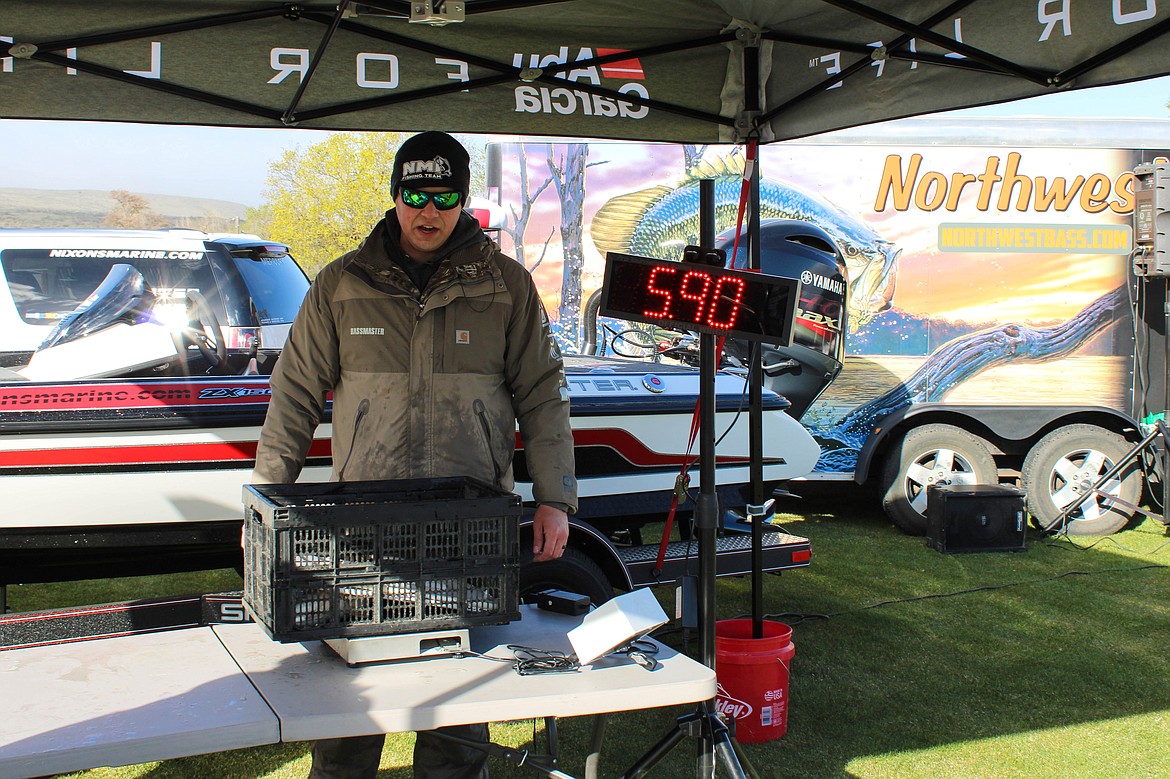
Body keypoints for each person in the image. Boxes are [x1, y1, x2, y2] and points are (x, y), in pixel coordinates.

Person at [252, 130, 578, 779]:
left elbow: (543, 393)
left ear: (463, 198)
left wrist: (553, 498)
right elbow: (293, 393)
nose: (428, 211)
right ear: (396, 195)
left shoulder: (507, 286)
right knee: (348, 708)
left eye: (444, 195)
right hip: (362, 529)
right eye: (415, 194)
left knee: (458, 708)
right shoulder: (340, 285)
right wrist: (262, 498)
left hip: (468, 527)